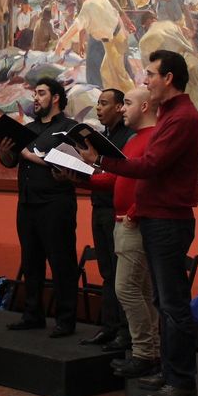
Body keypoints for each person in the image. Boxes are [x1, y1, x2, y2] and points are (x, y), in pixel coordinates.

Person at [92, 50, 198, 396]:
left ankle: (182, 381)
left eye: (150, 75)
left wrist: (102, 161)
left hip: (169, 221)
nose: (146, 81)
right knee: (162, 301)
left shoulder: (183, 117)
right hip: (157, 219)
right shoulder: (170, 115)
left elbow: (151, 164)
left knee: (172, 305)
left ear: (168, 78)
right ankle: (169, 372)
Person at [70, 87, 160, 379]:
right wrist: (81, 180)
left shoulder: (150, 138)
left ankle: (144, 350)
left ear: (144, 106)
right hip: (118, 217)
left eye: (127, 104)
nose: (122, 110)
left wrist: (133, 213)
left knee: (128, 288)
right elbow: (117, 179)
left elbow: (149, 181)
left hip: (131, 221)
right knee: (131, 287)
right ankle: (145, 349)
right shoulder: (133, 140)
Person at [0, 77, 79, 337]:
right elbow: (11, 162)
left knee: (61, 262)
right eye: (35, 94)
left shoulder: (69, 127)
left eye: (41, 93)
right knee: (31, 261)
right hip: (28, 202)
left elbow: (70, 163)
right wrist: (4, 152)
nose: (36, 98)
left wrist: (31, 156)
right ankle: (32, 314)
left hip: (56, 203)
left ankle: (65, 320)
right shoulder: (28, 129)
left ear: (55, 97)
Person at [136, 11, 198, 162]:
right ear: (154, 18)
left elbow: (150, 68)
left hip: (174, 75)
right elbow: (188, 43)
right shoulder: (170, 25)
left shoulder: (145, 40)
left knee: (180, 112)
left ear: (145, 24)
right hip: (190, 65)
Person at [79, 88, 134, 351]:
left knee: (122, 276)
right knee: (107, 273)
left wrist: (88, 175)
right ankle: (109, 327)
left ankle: (126, 332)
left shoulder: (128, 137)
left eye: (104, 104)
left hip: (117, 211)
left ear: (120, 107)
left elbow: (121, 175)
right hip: (98, 208)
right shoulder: (102, 137)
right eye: (97, 104)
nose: (98, 108)